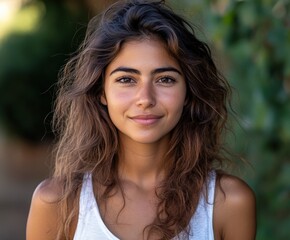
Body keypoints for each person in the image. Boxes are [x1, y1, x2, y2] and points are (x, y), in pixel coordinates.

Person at [26, 0, 256, 239]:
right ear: (101, 92)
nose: (145, 99)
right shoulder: (57, 203)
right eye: (126, 79)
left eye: (165, 79)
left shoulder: (229, 203)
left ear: (188, 92)